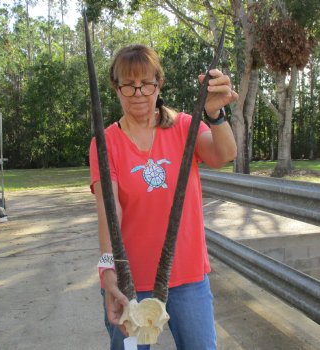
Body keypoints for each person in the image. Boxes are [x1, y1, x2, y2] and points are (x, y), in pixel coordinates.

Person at [89, 44, 238, 350]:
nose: (139, 92)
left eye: (147, 83)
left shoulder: (184, 126)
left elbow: (224, 154)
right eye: (129, 85)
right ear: (116, 88)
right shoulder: (105, 143)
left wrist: (215, 114)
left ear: (159, 84)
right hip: (129, 284)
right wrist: (108, 271)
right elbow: (109, 210)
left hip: (188, 277)